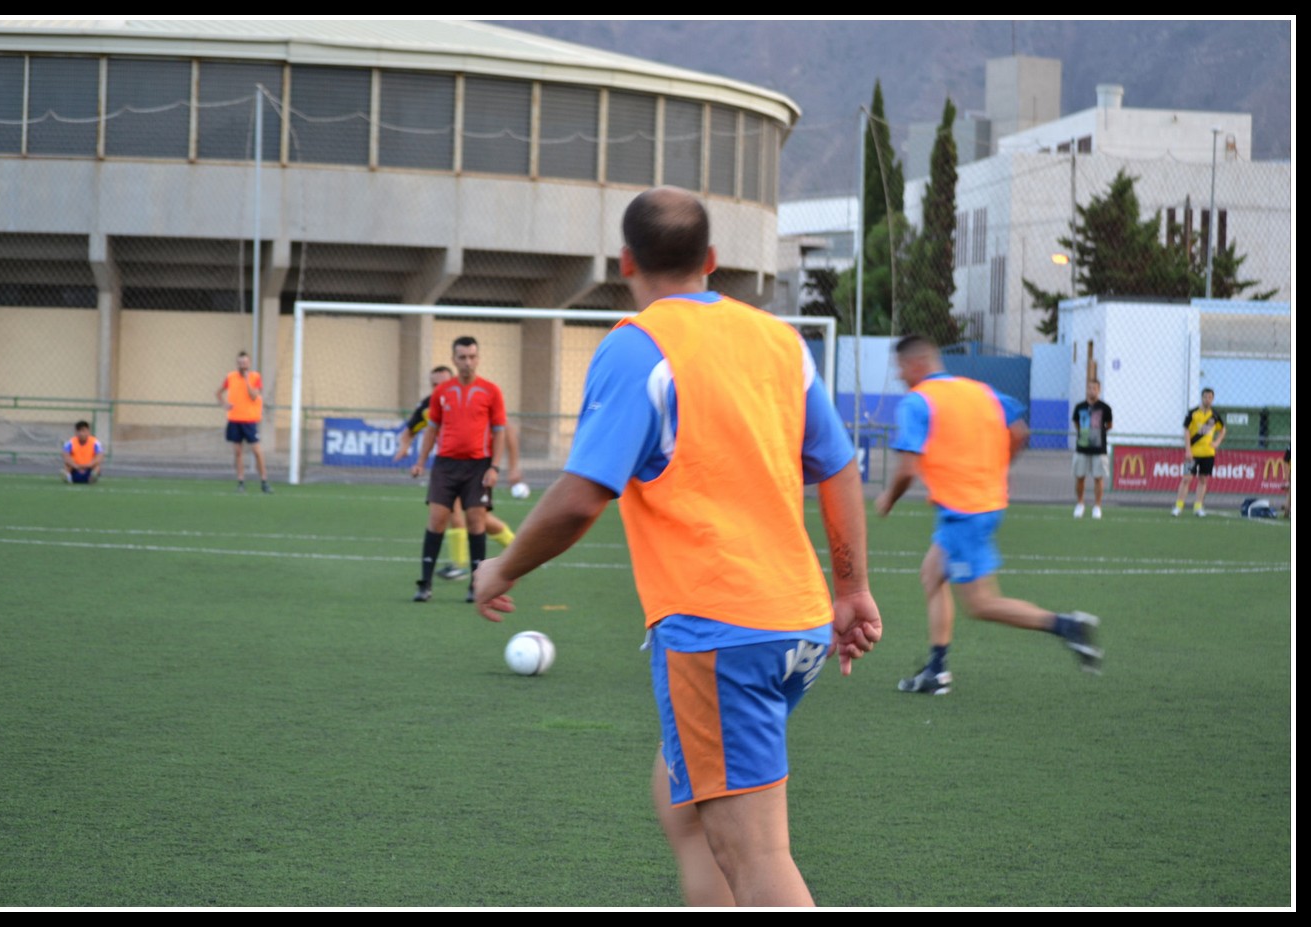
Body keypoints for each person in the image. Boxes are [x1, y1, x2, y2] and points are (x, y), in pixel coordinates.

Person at [473, 187, 883, 907]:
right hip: (797, 622)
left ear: (625, 262)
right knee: (680, 799)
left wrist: (500, 567)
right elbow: (839, 467)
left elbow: (581, 497)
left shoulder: (637, 347)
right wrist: (850, 589)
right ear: (712, 259)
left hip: (719, 630)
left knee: (754, 853)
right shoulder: (778, 341)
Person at [875, 334, 1101, 696]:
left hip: (964, 511)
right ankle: (937, 670)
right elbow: (1019, 432)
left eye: (900, 367)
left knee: (981, 603)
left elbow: (906, 468)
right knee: (932, 574)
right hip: (984, 503)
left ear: (916, 363)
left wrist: (888, 498)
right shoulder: (979, 391)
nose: (900, 376)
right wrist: (995, 471)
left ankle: (1065, 626)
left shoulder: (918, 402)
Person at [410, 336, 512, 603]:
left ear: (478, 359)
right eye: (462, 357)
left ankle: (476, 585)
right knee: (437, 520)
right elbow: (432, 429)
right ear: (454, 360)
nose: (467, 362)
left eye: (472, 357)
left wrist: (495, 467)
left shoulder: (491, 391)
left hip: (478, 466)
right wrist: (420, 461)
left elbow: (499, 431)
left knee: (476, 522)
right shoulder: (442, 392)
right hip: (445, 465)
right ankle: (425, 584)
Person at [395, 365, 519, 580]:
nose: (437, 387)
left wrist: (512, 465)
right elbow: (409, 431)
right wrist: (405, 447)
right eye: (433, 384)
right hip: (449, 467)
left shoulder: (477, 397)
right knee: (467, 516)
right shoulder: (429, 404)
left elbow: (505, 430)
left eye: (441, 383)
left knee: (475, 518)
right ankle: (512, 552)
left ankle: (463, 564)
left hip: (476, 466)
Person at [215, 351, 272, 494]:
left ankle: (264, 481)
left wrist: (246, 380)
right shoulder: (230, 377)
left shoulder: (255, 377)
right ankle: (241, 482)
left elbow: (253, 396)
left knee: (257, 451)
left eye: (245, 363)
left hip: (250, 420)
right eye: (240, 363)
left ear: (249, 364)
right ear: (237, 364)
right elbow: (218, 392)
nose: (243, 365)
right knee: (237, 452)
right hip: (234, 419)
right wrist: (224, 404)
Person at [1172, 387, 1225, 517]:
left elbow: (1223, 429)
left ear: (1213, 399)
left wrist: (1217, 442)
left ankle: (1198, 507)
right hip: (1193, 453)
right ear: (1202, 398)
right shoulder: (1193, 413)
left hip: (1208, 453)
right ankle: (1178, 506)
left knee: (1203, 480)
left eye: (1210, 397)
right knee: (1186, 479)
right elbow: (1186, 431)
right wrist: (1188, 450)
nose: (1207, 399)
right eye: (1205, 397)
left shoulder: (1215, 415)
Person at [1072, 378, 1114, 519]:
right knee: (1080, 477)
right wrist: (1085, 433)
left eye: (1095, 388)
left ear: (1099, 390)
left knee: (1098, 478)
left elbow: (1109, 425)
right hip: (1082, 448)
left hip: (1099, 449)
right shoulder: (1079, 407)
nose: (1092, 391)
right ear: (1086, 389)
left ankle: (1097, 506)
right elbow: (1076, 422)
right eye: (1090, 388)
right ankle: (1080, 504)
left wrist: (1098, 433)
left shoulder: (1105, 408)